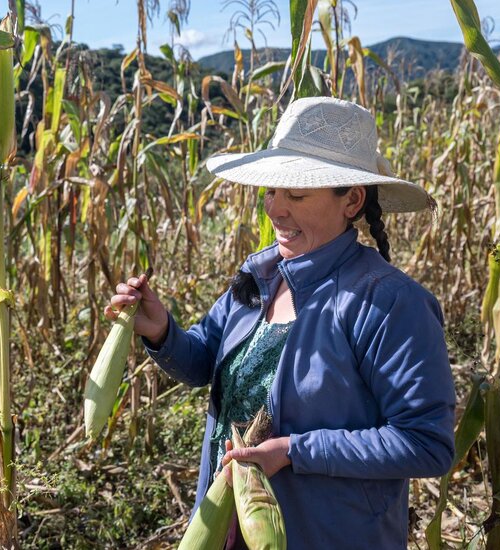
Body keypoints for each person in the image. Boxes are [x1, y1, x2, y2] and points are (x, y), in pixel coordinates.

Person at [107, 97, 457, 548]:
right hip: (228, 529)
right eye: (272, 191)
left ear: (351, 200)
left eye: (296, 194)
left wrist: (293, 452)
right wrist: (161, 331)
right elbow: (203, 364)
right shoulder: (261, 275)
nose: (275, 209)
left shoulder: (389, 303)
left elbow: (426, 443)